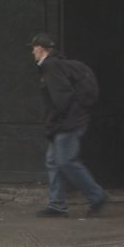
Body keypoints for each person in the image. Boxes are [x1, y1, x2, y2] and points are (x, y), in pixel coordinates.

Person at [30, 33, 108, 218]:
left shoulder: (51, 67)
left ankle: (97, 196)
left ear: (40, 49)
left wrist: (51, 121)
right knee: (54, 161)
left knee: (66, 161)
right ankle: (57, 205)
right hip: (67, 122)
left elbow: (61, 99)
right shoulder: (58, 65)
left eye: (33, 48)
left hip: (66, 124)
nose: (32, 52)